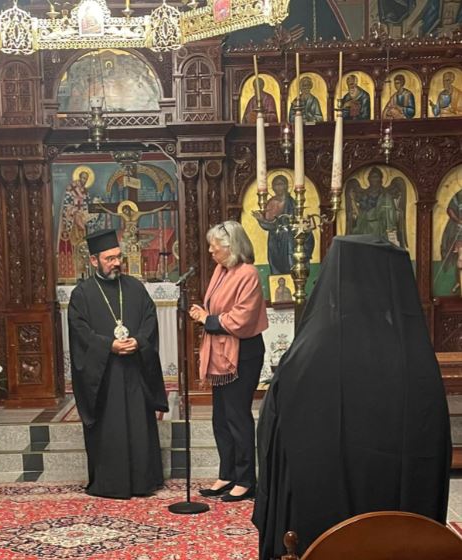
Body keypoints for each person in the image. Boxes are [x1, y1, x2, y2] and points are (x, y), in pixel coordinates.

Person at [252, 235, 451, 559]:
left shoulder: (310, 351)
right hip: (401, 532)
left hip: (319, 530)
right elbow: (433, 450)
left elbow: (276, 434)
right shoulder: (416, 359)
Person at [68, 229, 168, 498]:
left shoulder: (135, 287)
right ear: (93, 260)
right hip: (105, 376)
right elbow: (80, 332)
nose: (116, 263)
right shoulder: (82, 294)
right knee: (110, 428)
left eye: (118, 257)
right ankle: (111, 483)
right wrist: (108, 345)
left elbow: (149, 319)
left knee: (139, 425)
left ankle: (143, 481)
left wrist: (139, 341)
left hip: (135, 371)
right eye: (109, 258)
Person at [189, 221, 268, 502]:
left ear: (232, 246)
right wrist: (204, 313)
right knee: (220, 418)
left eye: (215, 246)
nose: (210, 250)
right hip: (221, 353)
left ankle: (245, 480)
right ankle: (227, 474)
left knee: (237, 416)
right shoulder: (221, 270)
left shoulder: (248, 273)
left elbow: (242, 318)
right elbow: (218, 307)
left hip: (243, 354)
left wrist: (207, 319)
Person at [252, 174, 315, 275]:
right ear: (272, 187)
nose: (278, 187)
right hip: (274, 239)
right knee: (275, 263)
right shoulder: (270, 202)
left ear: (286, 186)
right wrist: (261, 220)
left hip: (288, 238)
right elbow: (270, 225)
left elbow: (296, 221)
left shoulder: (291, 202)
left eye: (281, 184)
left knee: (290, 262)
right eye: (276, 185)